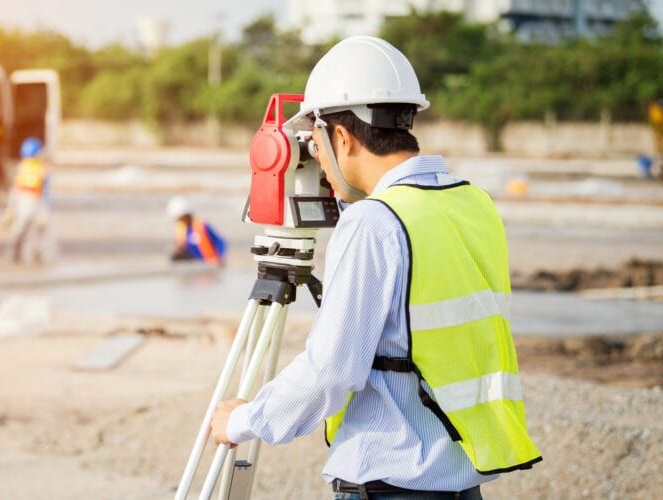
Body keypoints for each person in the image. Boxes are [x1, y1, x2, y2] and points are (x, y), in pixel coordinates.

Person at [208, 36, 541, 499]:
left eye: (318, 144)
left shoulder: (375, 224)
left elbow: (331, 372)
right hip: (462, 476)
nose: (317, 160)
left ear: (341, 136)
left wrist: (242, 420)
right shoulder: (472, 202)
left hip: (392, 482)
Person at [4, 137, 53, 264]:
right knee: (21, 228)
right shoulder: (24, 168)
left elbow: (46, 191)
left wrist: (45, 211)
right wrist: (10, 208)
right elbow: (16, 190)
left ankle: (37, 254)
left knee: (39, 230)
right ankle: (16, 252)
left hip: (35, 202)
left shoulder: (40, 169)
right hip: (26, 202)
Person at [166, 196, 226, 265]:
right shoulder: (182, 229)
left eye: (181, 218)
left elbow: (220, 242)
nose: (180, 220)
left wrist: (219, 256)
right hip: (194, 260)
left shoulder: (202, 226)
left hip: (209, 260)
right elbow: (181, 245)